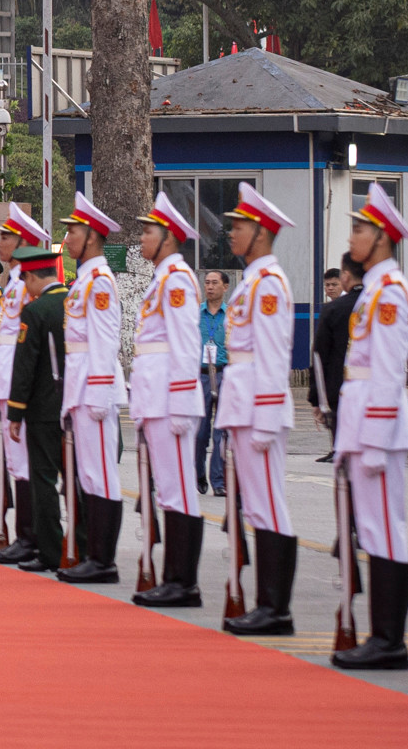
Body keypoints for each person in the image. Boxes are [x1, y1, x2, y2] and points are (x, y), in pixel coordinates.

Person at [330, 181, 408, 671]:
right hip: (363, 425)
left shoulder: (389, 291)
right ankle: (381, 635)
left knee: (386, 532)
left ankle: (390, 640)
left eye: (361, 229)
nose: (354, 237)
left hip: (378, 430)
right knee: (373, 530)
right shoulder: (374, 291)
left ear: (381, 237)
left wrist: (376, 438)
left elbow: (387, 371)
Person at [218, 182, 300, 636]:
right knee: (257, 507)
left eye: (240, 227)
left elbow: (273, 355)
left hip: (258, 407)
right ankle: (267, 603)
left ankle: (276, 608)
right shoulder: (253, 281)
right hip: (243, 402)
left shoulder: (268, 283)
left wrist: (267, 414)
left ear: (262, 233)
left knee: (269, 507)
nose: (231, 233)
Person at [127, 192, 207, 609]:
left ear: (170, 238)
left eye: (148, 232)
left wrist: (179, 401)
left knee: (178, 493)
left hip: (170, 402)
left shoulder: (176, 279)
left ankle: (183, 582)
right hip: (155, 399)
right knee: (168, 492)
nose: (141, 239)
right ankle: (175, 577)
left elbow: (184, 345)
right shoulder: (163, 278)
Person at [57, 193, 124, 583]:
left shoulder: (99, 281)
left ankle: (103, 561)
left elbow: (104, 339)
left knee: (100, 475)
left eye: (73, 232)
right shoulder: (86, 279)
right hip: (81, 385)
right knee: (88, 475)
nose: (67, 240)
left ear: (93, 237)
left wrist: (98, 390)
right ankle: (94, 556)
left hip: (94, 387)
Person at [0, 204, 51, 562]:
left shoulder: (28, 283)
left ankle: (31, 538)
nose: (0, 243)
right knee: (14, 464)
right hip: (6, 380)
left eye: (6, 237)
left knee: (24, 463)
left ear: (23, 242)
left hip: (19, 384)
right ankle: (25, 536)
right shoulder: (12, 283)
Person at [6, 244, 67, 575]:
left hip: (43, 408)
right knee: (75, 479)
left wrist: (15, 412)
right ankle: (81, 547)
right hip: (73, 403)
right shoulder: (73, 300)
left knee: (43, 479)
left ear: (30, 276)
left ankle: (51, 550)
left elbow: (25, 366)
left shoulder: (37, 309)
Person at [308, 258, 362, 462]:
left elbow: (320, 351)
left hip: (338, 374)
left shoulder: (336, 308)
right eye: (327, 285)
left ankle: (340, 449)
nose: (330, 288)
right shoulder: (375, 302)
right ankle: (338, 448)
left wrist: (316, 396)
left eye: (334, 284)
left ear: (345, 279)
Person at [196, 268, 230, 495]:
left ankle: (218, 481)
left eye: (214, 282)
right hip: (201, 375)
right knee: (200, 430)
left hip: (225, 372)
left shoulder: (232, 315)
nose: (209, 286)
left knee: (222, 431)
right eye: (207, 282)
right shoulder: (195, 314)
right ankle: (198, 472)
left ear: (225, 287)